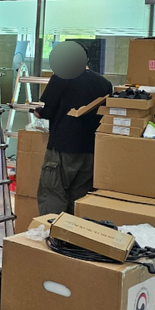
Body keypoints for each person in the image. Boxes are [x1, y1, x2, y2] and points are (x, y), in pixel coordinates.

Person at [33, 46, 112, 215]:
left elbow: (48, 111)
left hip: (63, 147)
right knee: (79, 197)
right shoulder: (104, 83)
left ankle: (51, 230)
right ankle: (73, 231)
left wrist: (39, 112)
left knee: (53, 192)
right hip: (91, 149)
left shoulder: (61, 77)